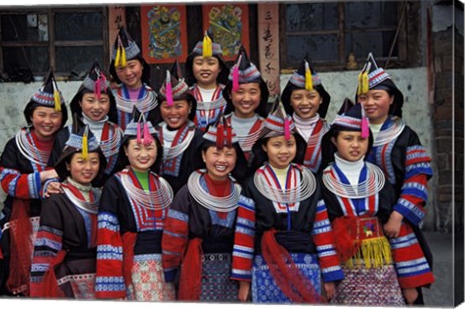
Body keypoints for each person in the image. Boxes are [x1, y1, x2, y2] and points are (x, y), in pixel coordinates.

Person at [356, 53, 435, 304]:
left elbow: (417, 179)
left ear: (391, 99)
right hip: (358, 222)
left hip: (395, 221)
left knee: (408, 290)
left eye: (377, 96)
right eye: (363, 97)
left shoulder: (406, 135)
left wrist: (397, 216)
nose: (370, 102)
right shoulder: (350, 133)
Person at [245, 103, 343, 304]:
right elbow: (244, 233)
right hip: (265, 264)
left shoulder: (310, 181)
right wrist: (243, 280)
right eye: (276, 144)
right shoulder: (253, 183)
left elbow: (322, 229)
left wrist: (330, 274)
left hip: (306, 265)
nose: (284, 151)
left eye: (290, 144)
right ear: (264, 146)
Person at [0, 71, 67, 296]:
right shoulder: (16, 144)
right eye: (41, 114)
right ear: (31, 115)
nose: (48, 121)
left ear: (63, 118)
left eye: (55, 115)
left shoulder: (67, 142)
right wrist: (44, 178)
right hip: (20, 219)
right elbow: (8, 182)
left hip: (57, 218)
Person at [320, 100, 406, 305]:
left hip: (380, 264)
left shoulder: (379, 178)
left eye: (362, 139)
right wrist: (328, 273)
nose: (356, 145)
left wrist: (409, 280)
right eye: (348, 138)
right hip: (341, 264)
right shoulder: (321, 180)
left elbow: (397, 230)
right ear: (334, 140)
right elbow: (319, 230)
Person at [161, 118, 255, 302]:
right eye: (216, 153)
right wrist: (171, 274)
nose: (222, 160)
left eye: (229, 154)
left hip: (232, 273)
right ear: (204, 156)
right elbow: (173, 238)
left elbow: (248, 238)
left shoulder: (242, 192)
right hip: (196, 270)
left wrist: (244, 278)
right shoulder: (188, 192)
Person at [95, 113, 175, 301]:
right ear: (125, 150)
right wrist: (112, 284)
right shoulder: (114, 184)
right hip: (134, 267)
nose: (144, 154)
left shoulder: (163, 184)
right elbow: (108, 236)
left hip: (166, 268)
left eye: (149, 147)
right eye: (136, 148)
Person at [29, 124, 106, 298]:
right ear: (68, 165)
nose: (88, 168)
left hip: (102, 275)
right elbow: (47, 250)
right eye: (81, 161)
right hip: (70, 279)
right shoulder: (57, 197)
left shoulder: (101, 196)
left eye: (94, 162)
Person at [46, 61, 122, 186]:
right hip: (72, 196)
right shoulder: (65, 135)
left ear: (110, 104)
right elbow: (53, 169)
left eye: (103, 101)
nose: (97, 107)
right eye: (90, 100)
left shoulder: (118, 135)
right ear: (80, 103)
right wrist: (51, 184)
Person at [155, 60, 204, 194]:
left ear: (189, 107)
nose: (173, 113)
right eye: (167, 107)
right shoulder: (152, 135)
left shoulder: (198, 138)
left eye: (179, 106)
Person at [280, 58, 331, 173]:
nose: (304, 103)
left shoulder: (330, 132)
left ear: (321, 99)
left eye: (311, 96)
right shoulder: (278, 130)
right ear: (289, 101)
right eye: (297, 97)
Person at [110, 26, 161, 129]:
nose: (128, 73)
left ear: (142, 65)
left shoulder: (154, 98)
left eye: (132, 66)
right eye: (121, 68)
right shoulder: (110, 99)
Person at [224, 45, 269, 163]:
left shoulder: (269, 128)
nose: (246, 98)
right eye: (239, 92)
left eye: (253, 92)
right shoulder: (218, 127)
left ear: (261, 95)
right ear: (229, 94)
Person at [185, 31, 230, 131]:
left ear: (220, 67)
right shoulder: (185, 95)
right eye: (199, 63)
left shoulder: (230, 95)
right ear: (191, 66)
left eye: (211, 63)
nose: (205, 68)